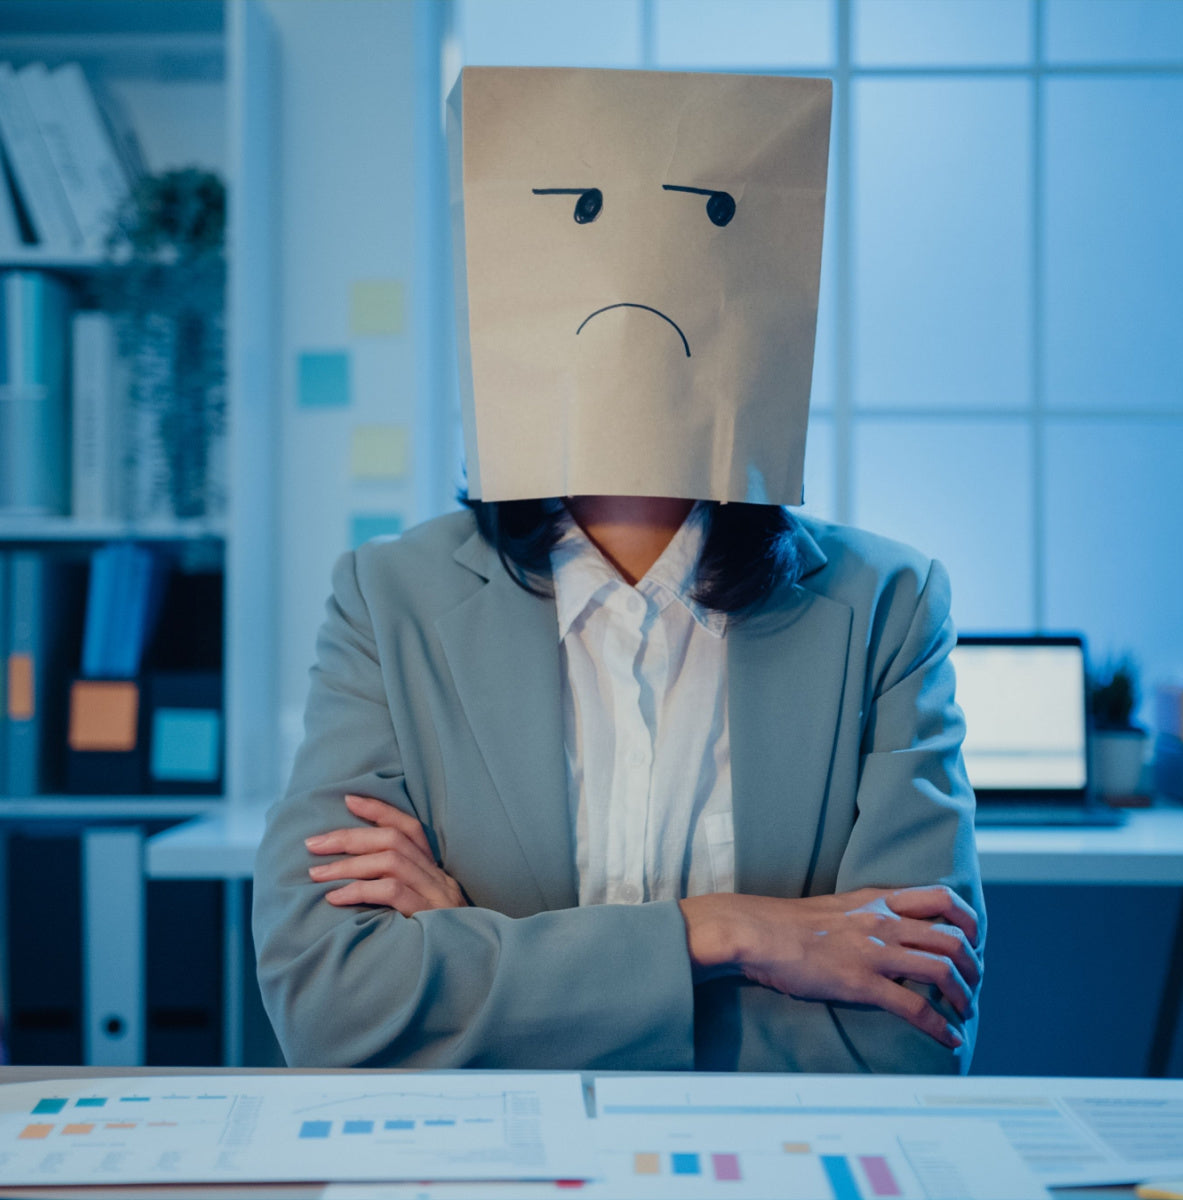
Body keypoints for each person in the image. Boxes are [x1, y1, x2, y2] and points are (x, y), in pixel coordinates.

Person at [252, 66, 984, 1073]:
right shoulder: (393, 603)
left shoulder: (886, 612)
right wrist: (735, 936)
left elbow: (907, 1029)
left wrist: (480, 954)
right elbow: (330, 1006)